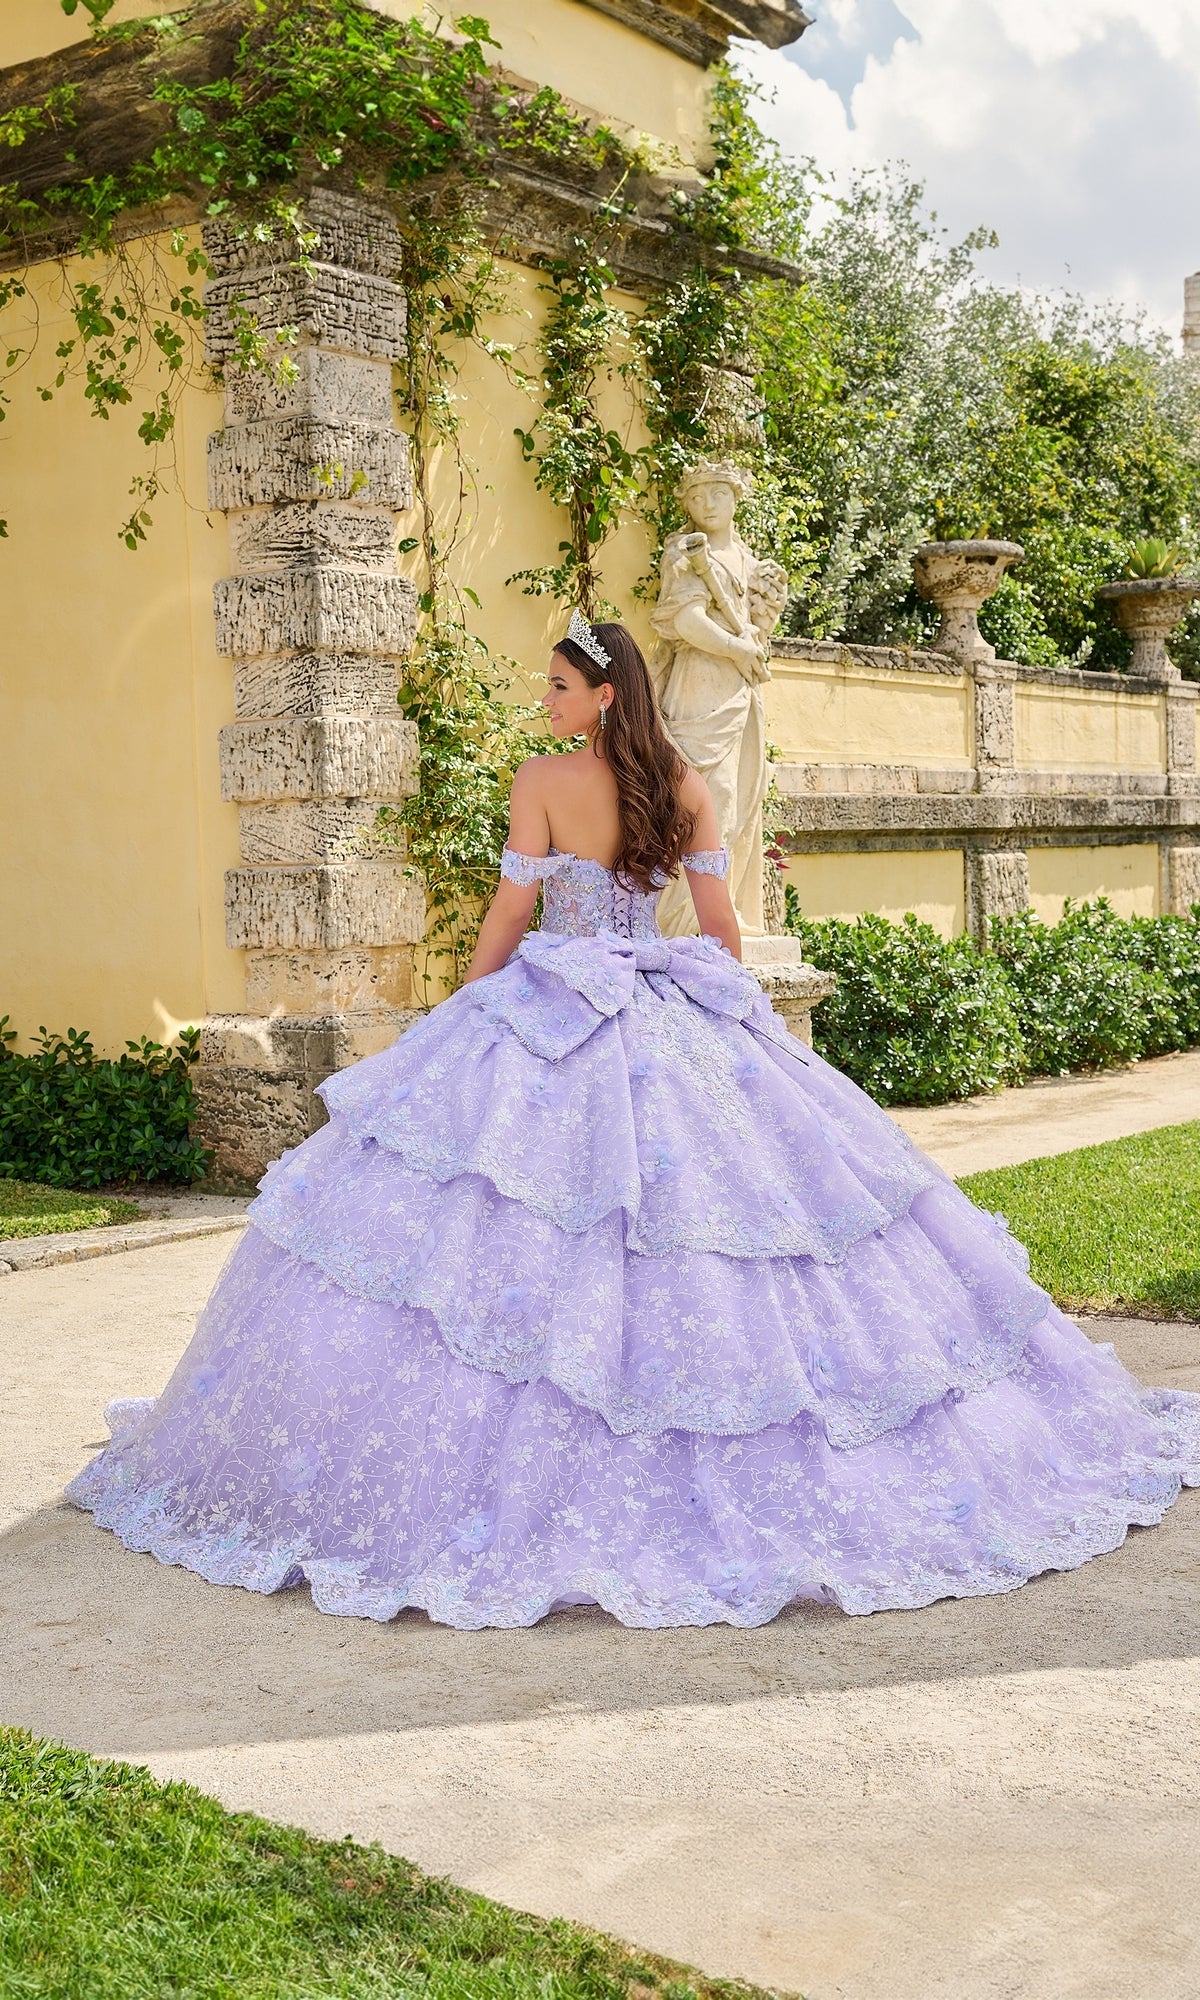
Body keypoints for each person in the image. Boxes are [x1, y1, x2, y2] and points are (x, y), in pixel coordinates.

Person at [69, 614, 1200, 1630]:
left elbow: (514, 907)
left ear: (604, 695)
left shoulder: (543, 779)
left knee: (519, 1213)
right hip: (662, 998)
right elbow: (718, 927)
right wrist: (733, 1020)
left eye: (559, 686)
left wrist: (468, 1005)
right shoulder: (686, 782)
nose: (545, 700)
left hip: (558, 998)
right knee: (720, 1219)